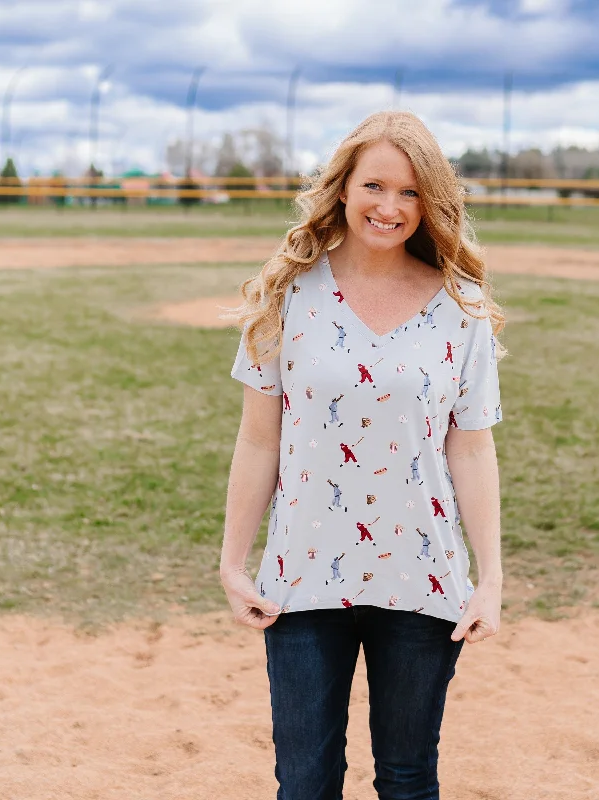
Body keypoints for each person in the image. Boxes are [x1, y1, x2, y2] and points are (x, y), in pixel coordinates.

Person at [220, 110, 505, 800]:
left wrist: (491, 577)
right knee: (306, 783)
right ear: (342, 188)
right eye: (375, 186)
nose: (390, 207)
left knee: (408, 780)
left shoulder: (461, 307)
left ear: (430, 201)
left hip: (421, 577)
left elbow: (470, 447)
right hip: (302, 577)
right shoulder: (287, 294)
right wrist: (232, 561)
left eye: (410, 192)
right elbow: (260, 437)